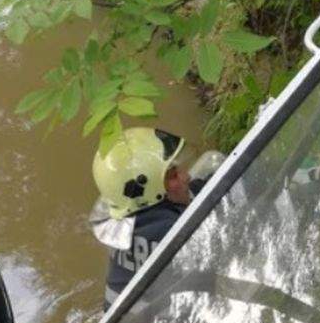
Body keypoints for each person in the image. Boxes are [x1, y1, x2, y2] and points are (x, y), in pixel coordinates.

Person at [89, 126, 223, 309]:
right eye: (174, 175)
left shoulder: (133, 214)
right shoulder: (166, 232)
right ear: (148, 190)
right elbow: (216, 275)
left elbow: (196, 191)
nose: (186, 176)